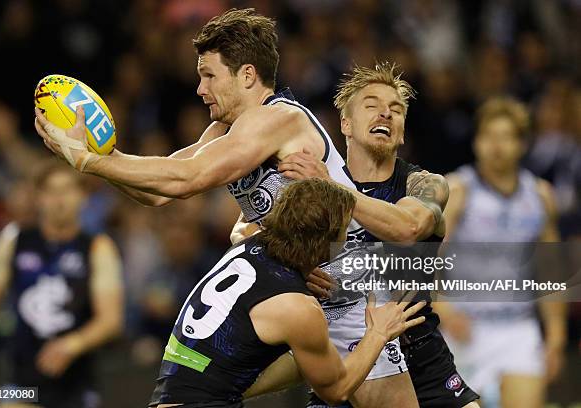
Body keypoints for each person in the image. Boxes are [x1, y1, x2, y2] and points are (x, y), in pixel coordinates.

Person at [35, 8, 438, 407]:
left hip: (351, 299)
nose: (199, 89)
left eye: (209, 75)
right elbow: (159, 191)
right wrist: (102, 157)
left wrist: (88, 161)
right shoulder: (224, 131)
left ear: (247, 75)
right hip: (294, 299)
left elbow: (187, 178)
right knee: (211, 394)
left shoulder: (279, 119)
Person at [246, 63, 480, 408]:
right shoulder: (306, 184)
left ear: (402, 132)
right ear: (345, 124)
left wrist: (332, 188)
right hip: (347, 363)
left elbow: (409, 226)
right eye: (371, 105)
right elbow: (244, 229)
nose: (385, 113)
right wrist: (293, 264)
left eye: (396, 110)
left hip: (422, 362)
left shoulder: (425, 184)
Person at [147, 179, 427, 408]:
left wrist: (303, 272)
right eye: (345, 230)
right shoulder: (298, 309)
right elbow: (337, 390)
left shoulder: (245, 245)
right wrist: (378, 334)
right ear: (326, 242)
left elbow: (243, 229)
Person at [437, 97, 567, 408]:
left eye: (506, 137)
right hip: (463, 329)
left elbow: (550, 270)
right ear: (477, 142)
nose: (496, 147)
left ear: (522, 144)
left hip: (517, 327)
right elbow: (426, 257)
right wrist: (444, 309)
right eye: (488, 137)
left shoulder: (541, 196)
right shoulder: (457, 191)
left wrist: (556, 335)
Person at [0, 160, 124, 408]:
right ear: (39, 197)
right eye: (51, 191)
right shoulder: (14, 240)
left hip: (76, 388)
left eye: (67, 190)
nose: (59, 200)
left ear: (82, 196)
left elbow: (111, 320)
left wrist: (74, 344)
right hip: (23, 385)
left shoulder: (97, 248)